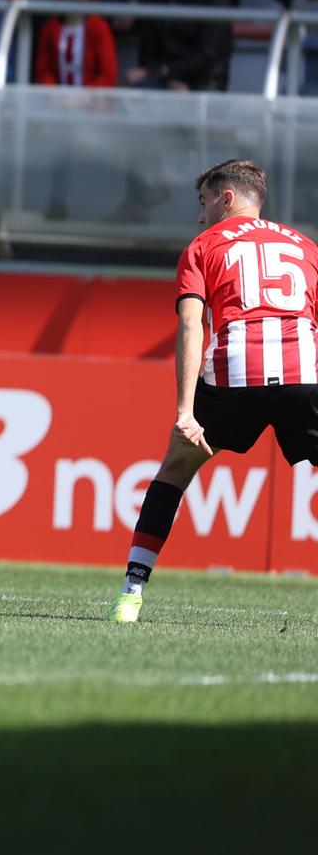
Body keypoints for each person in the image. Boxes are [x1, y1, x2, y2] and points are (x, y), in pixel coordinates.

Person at [107, 160, 311, 624]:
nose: (200, 217)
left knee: (174, 471)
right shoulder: (306, 246)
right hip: (304, 374)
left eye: (203, 203)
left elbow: (191, 325)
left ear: (226, 198)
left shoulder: (204, 245)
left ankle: (131, 595)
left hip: (235, 374)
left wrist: (184, 410)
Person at [34, 0, 118, 87]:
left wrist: (87, 98)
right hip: (55, 103)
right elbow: (43, 70)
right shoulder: (50, 28)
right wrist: (57, 96)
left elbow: (108, 74)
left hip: (92, 103)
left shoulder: (100, 27)